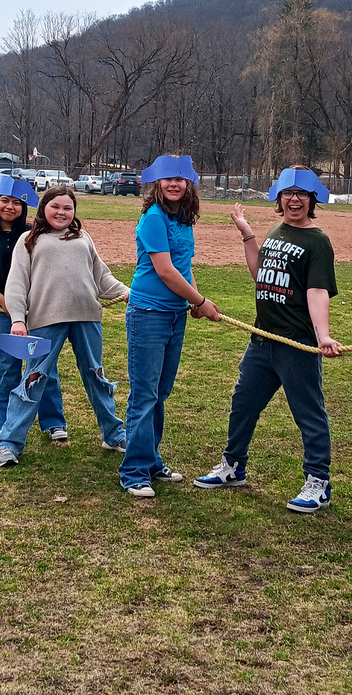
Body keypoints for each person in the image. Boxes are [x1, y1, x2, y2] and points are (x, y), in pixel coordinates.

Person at [194, 166, 342, 513]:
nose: (294, 200)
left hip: (295, 345)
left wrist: (323, 336)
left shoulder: (317, 242)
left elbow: (318, 291)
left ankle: (318, 482)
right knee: (243, 404)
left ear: (312, 200)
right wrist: (248, 234)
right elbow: (260, 274)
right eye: (288, 194)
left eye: (301, 195)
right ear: (279, 198)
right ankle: (233, 467)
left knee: (309, 414)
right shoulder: (278, 230)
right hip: (262, 340)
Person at [0, 185, 129, 468]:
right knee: (34, 378)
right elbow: (16, 283)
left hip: (87, 319)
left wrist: (128, 292)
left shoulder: (83, 237)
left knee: (96, 376)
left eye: (68, 208)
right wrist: (18, 318)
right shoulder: (28, 240)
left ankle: (114, 434)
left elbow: (102, 277)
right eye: (56, 206)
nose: (62, 212)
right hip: (45, 322)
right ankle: (8, 443)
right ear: (44, 208)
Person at [118, 155, 221, 498]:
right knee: (144, 394)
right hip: (148, 313)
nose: (174, 184)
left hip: (176, 315)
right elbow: (165, 271)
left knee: (160, 393)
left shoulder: (184, 220)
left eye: (180, 179)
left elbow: (183, 266)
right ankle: (133, 472)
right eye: (168, 180)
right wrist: (202, 302)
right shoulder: (153, 219)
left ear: (188, 184)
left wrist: (193, 300)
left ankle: (149, 459)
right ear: (157, 184)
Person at [0, 177, 68, 441]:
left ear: (24, 207)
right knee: (9, 370)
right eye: (4, 201)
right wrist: (8, 305)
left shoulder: (36, 235)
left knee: (44, 369)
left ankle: (54, 422)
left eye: (16, 202)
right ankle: (8, 423)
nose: (9, 207)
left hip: (40, 313)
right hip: (5, 315)